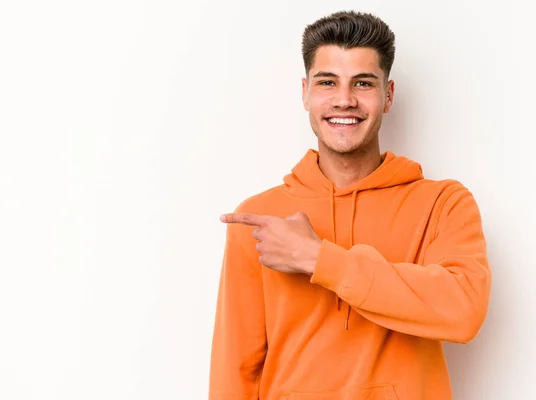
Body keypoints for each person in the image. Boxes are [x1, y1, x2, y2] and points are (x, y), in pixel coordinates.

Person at [209, 10, 491, 400]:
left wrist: (317, 258)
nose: (344, 100)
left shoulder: (443, 203)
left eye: (363, 83)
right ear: (306, 92)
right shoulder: (262, 216)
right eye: (328, 82)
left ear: (387, 95)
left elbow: (463, 313)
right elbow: (236, 367)